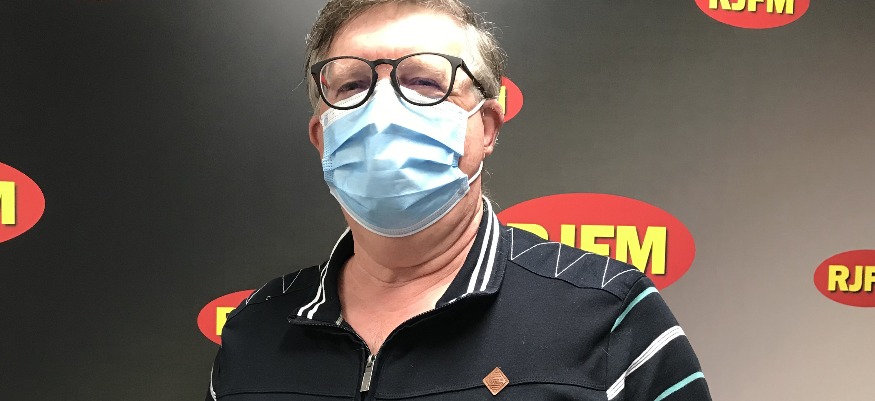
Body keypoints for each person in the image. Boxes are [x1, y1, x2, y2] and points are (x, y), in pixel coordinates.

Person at [207, 1, 712, 400]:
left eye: (424, 82)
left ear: (486, 127)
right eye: (353, 85)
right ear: (322, 137)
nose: (382, 111)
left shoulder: (609, 316)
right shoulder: (255, 328)